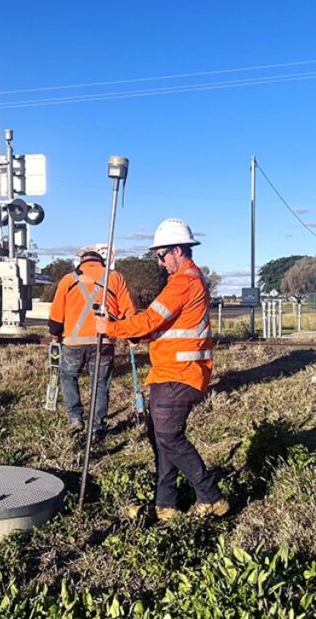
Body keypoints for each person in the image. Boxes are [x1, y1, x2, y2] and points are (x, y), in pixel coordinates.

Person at [95, 218, 229, 520]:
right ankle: (166, 505)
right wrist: (132, 331)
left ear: (178, 250)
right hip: (169, 371)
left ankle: (211, 497)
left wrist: (111, 328)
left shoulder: (185, 282)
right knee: (160, 439)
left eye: (161, 254)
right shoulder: (182, 281)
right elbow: (159, 324)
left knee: (169, 438)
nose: (159, 261)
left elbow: (150, 320)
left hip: (180, 373)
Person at [49, 247, 136, 437]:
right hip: (104, 340)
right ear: (101, 261)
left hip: (73, 342)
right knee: (100, 383)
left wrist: (55, 334)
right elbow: (128, 311)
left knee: (68, 376)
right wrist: (132, 336)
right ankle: (97, 426)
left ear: (81, 262)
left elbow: (56, 315)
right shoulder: (115, 277)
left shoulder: (68, 279)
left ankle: (75, 418)